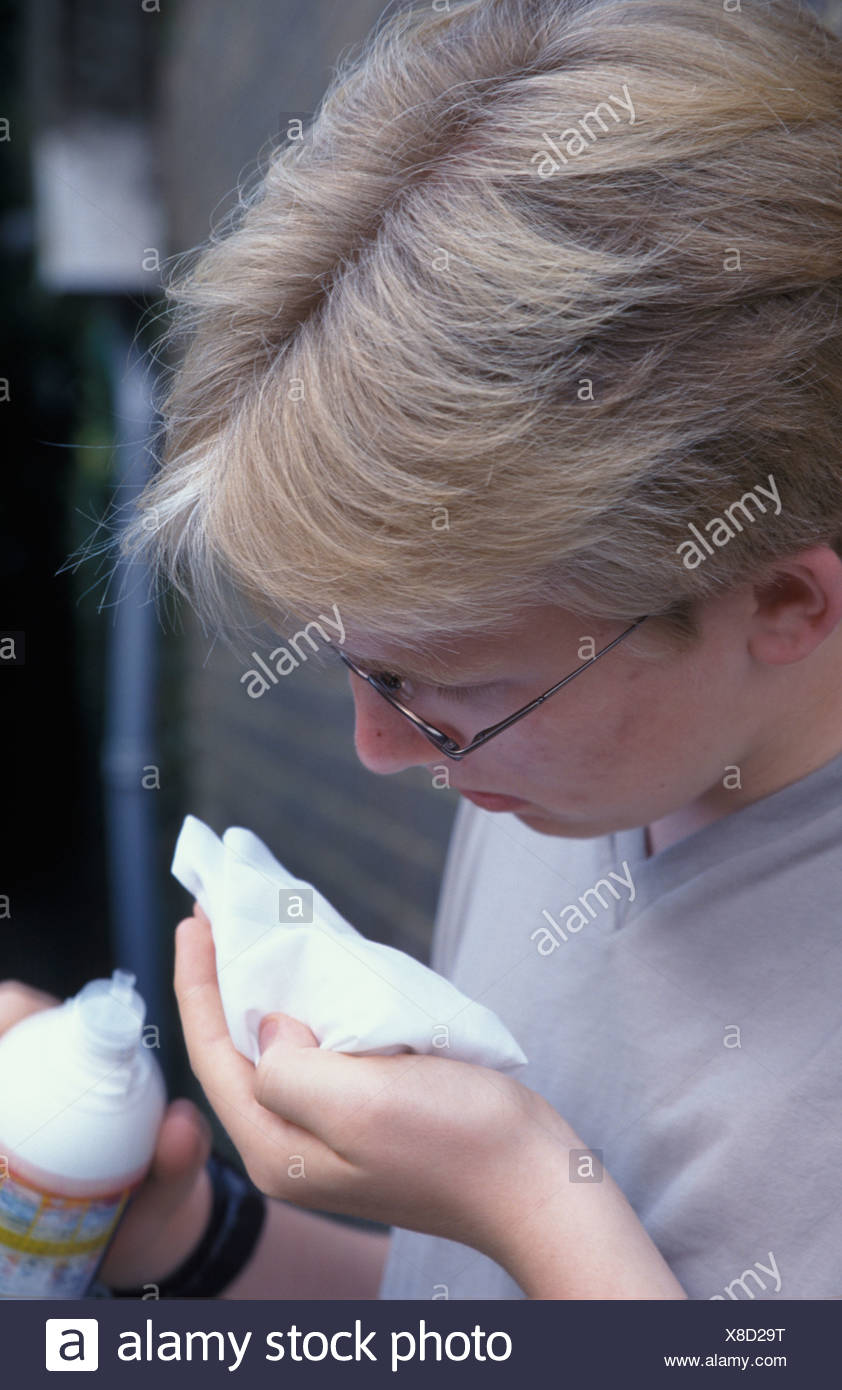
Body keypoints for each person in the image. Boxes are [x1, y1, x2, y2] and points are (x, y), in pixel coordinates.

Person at [7, 0, 842, 1299]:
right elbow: (463, 1303)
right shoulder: (571, 738)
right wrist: (186, 1237)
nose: (382, 748)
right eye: (361, 664)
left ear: (784, 606)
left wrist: (521, 1189)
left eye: (442, 693)